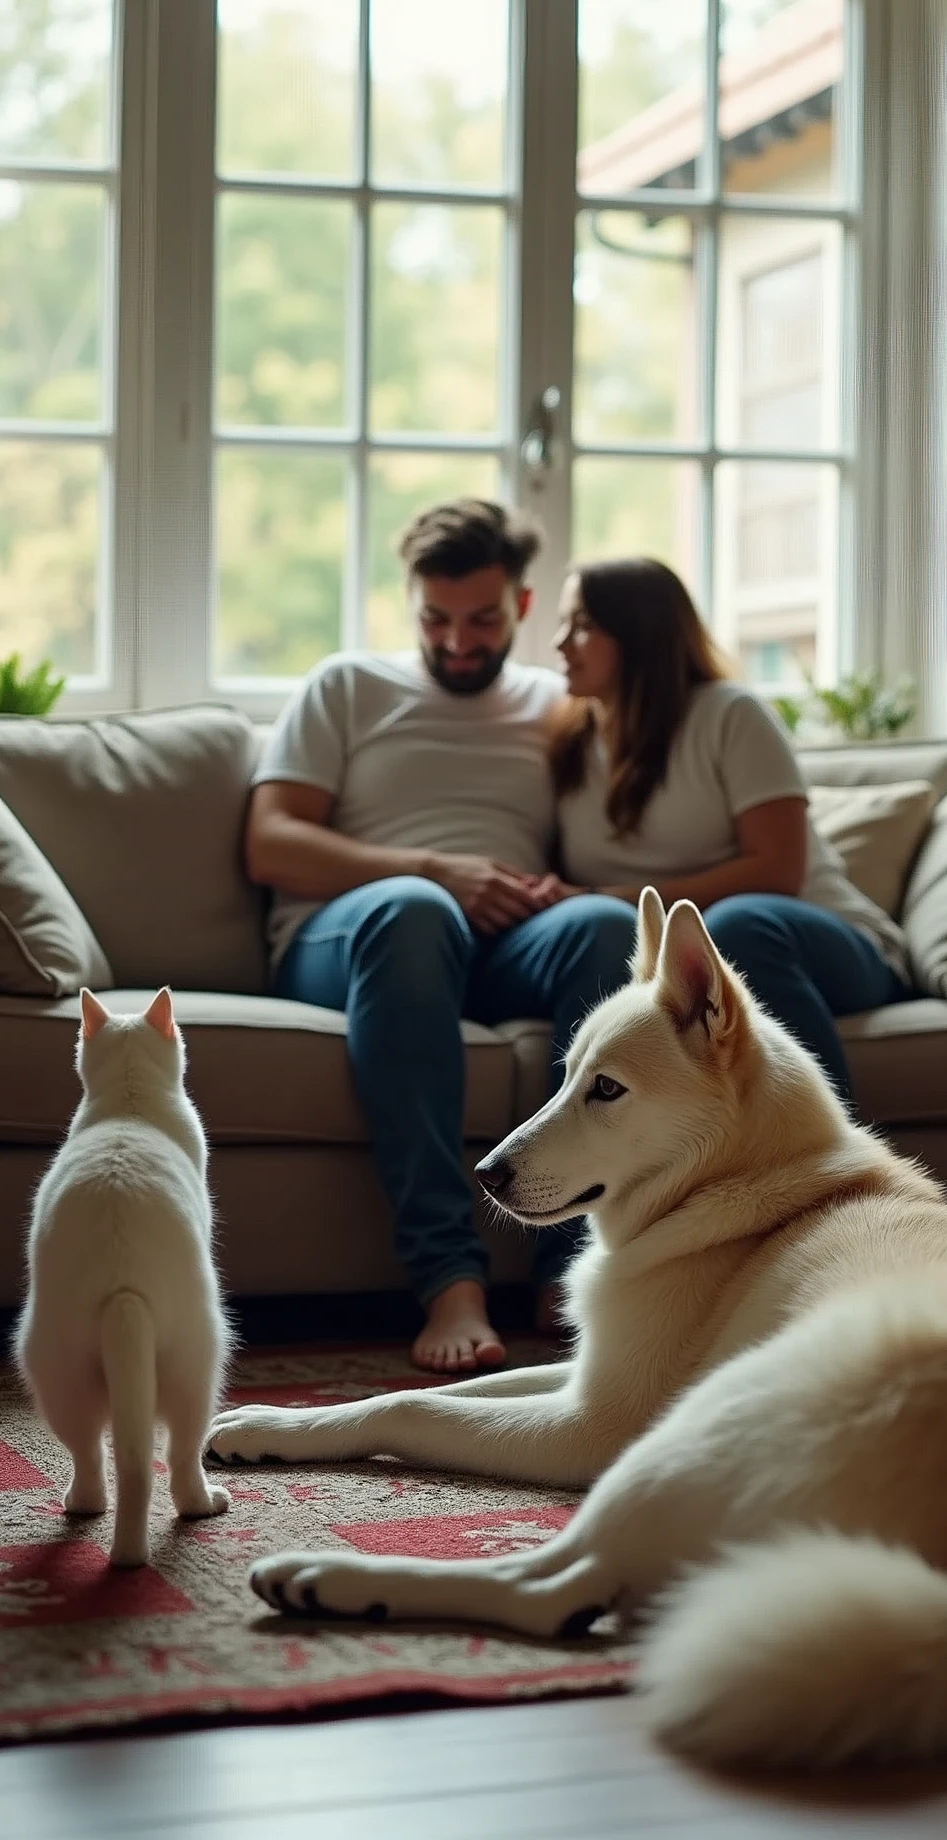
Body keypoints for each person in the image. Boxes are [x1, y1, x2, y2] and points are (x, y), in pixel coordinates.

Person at [245, 501, 635, 1374]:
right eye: (436, 619)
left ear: (523, 610)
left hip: (499, 946)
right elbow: (272, 843)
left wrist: (544, 891)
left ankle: (567, 1270)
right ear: (410, 603)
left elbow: (610, 833)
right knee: (414, 913)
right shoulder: (347, 686)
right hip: (355, 939)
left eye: (483, 621)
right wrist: (429, 869)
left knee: (605, 924)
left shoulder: (555, 706)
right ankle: (448, 1280)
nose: (458, 642)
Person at [549, 557, 909, 1103]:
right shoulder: (569, 741)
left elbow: (777, 870)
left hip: (823, 943)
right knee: (594, 934)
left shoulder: (730, 715)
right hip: (687, 975)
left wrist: (611, 896)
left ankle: (831, 1172)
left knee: (738, 927)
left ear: (638, 635)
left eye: (581, 625)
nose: (559, 643)